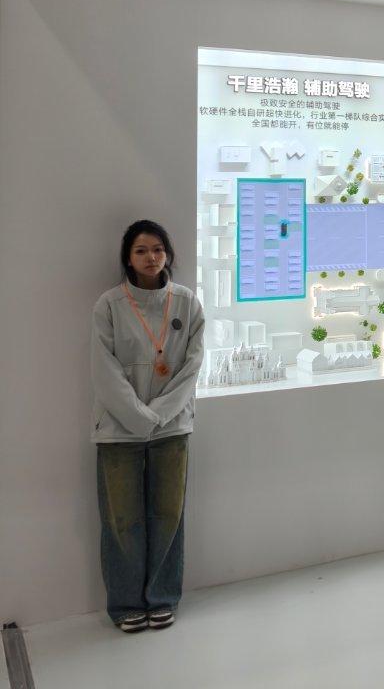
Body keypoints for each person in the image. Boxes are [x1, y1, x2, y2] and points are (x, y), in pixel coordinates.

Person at [91, 220, 205, 633]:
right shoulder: (109, 305)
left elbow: (192, 366)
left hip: (172, 429)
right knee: (122, 521)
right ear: (127, 258)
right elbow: (104, 370)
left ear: (168, 254)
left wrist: (158, 416)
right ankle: (125, 605)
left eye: (157, 249)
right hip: (118, 430)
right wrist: (139, 418)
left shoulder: (187, 302)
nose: (151, 257)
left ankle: (162, 597)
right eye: (141, 250)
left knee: (168, 515)